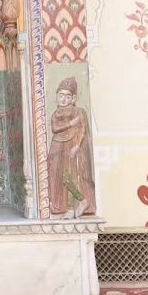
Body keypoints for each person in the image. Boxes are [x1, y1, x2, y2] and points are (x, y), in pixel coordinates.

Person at [47, 77, 96, 218]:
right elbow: (55, 129)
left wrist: (77, 146)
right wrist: (70, 124)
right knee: (56, 177)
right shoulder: (55, 114)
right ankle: (60, 206)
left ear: (73, 98)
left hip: (71, 145)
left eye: (67, 96)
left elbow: (83, 130)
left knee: (70, 176)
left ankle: (79, 203)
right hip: (57, 146)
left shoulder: (78, 111)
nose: (63, 99)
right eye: (60, 95)